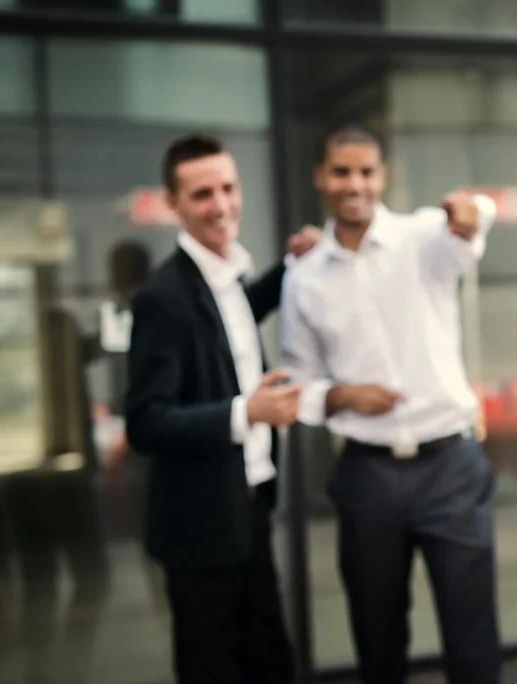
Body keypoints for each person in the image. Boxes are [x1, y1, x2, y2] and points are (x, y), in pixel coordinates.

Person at [279, 125, 502, 684]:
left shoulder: (423, 236)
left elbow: (473, 217)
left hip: (450, 465)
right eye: (341, 171)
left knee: (472, 637)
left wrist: (469, 210)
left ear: (382, 177)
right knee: (376, 640)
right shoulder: (302, 277)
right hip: (367, 471)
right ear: (319, 178)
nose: (353, 183)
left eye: (366, 171)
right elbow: (295, 382)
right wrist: (338, 394)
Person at [125, 134, 321, 684]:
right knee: (215, 669)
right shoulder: (161, 297)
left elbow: (233, 316)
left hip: (247, 510)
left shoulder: (225, 277)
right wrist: (247, 412)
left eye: (228, 188)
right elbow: (145, 421)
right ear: (174, 204)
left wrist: (289, 264)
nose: (221, 204)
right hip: (198, 527)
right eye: (202, 193)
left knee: (267, 661)